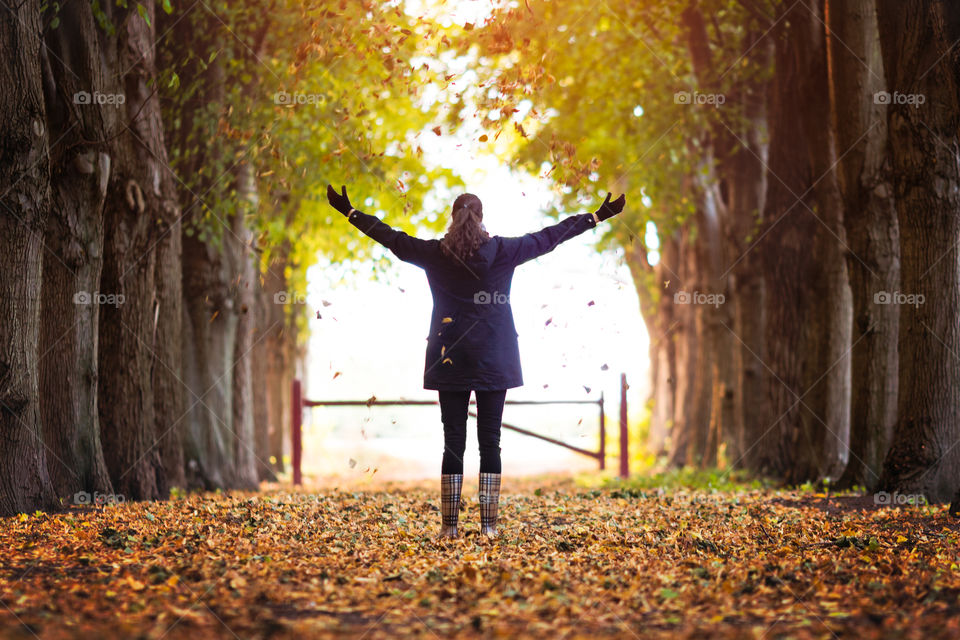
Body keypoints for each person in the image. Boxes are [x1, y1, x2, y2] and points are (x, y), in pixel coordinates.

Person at [326, 184, 626, 539]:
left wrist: (351, 213)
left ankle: (449, 528)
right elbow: (549, 237)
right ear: (481, 218)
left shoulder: (435, 253)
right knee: (490, 441)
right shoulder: (503, 250)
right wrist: (596, 216)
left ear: (452, 217)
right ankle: (488, 527)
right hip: (494, 355)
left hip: (448, 354)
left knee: (453, 440)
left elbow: (393, 238)